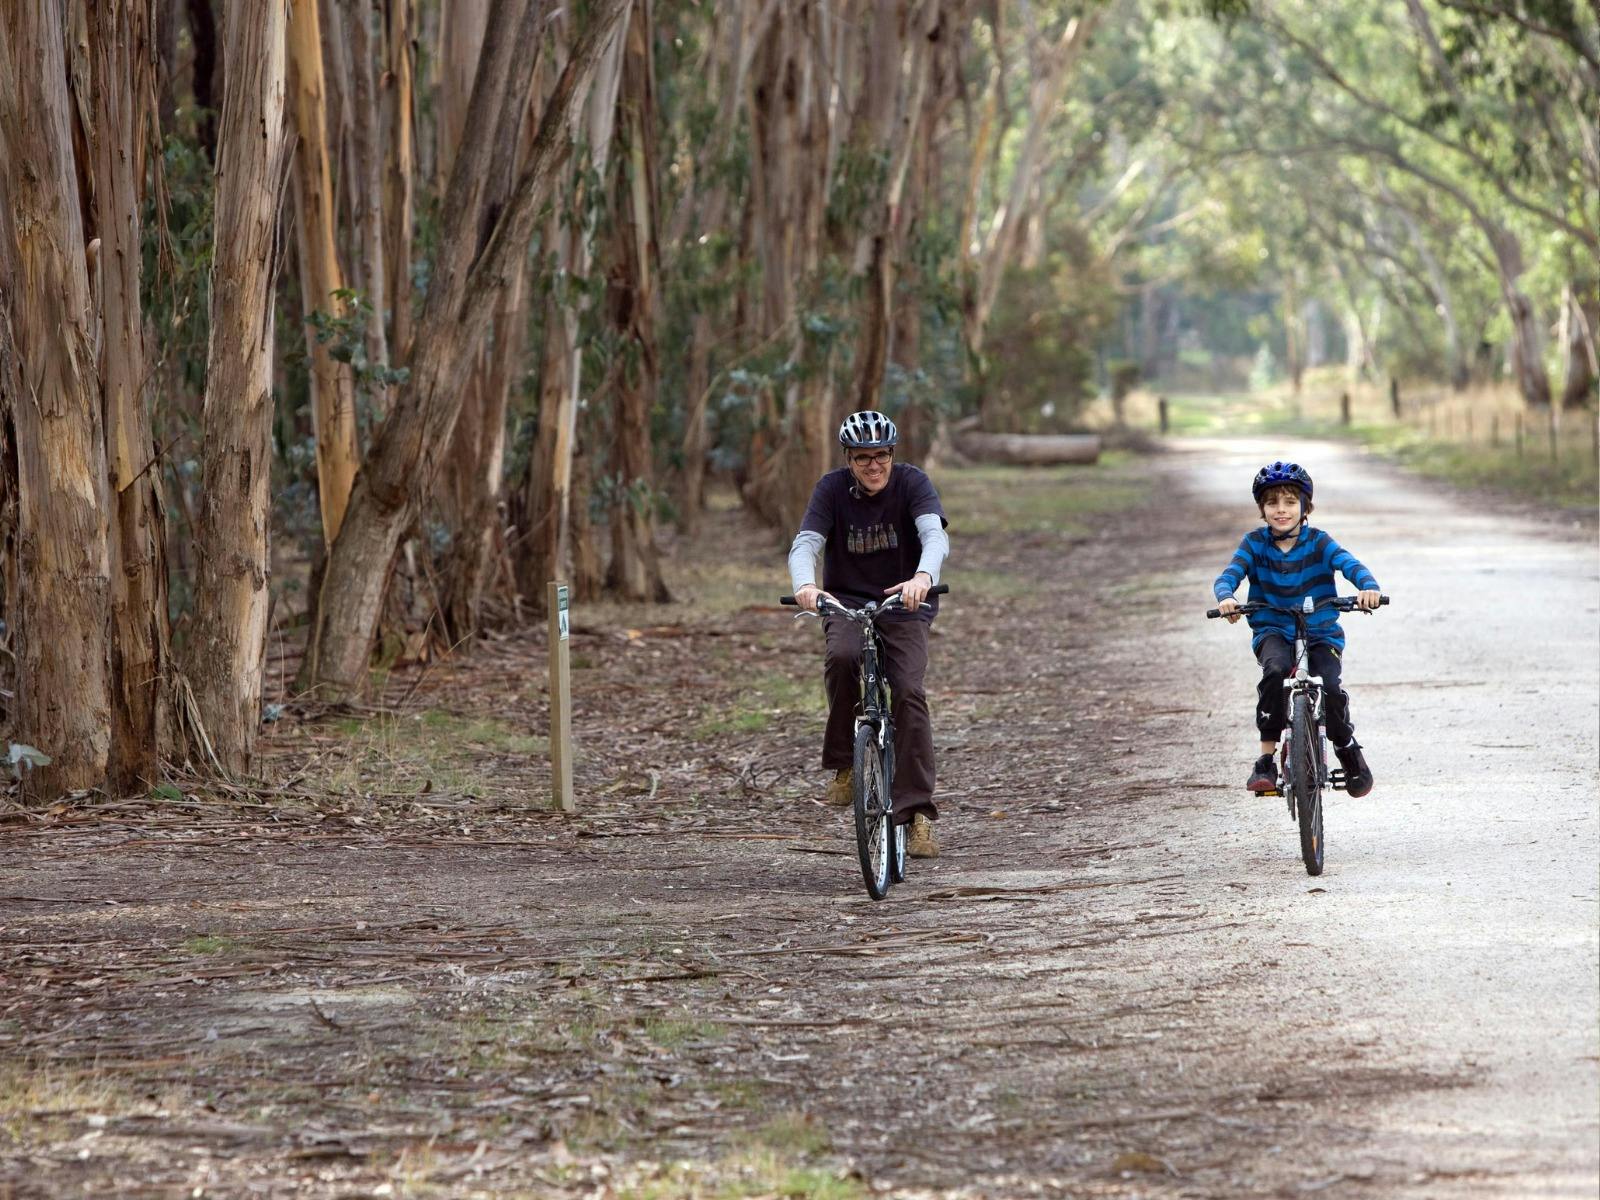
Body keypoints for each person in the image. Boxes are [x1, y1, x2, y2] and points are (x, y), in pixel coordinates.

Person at [787, 411, 950, 857]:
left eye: (881, 456)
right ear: (849, 459)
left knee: (909, 691)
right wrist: (805, 584)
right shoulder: (831, 489)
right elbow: (806, 544)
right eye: (863, 458)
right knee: (842, 658)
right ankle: (844, 761)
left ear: (892, 455)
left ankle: (917, 814)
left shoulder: (913, 484)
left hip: (905, 604)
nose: (874, 466)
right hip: (847, 602)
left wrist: (922, 576)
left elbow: (934, 537)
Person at [1214, 461, 1380, 797]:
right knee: (1275, 674)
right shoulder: (1254, 544)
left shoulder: (1319, 543)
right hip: (1273, 628)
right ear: (1262, 508)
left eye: (1290, 502)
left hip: (1320, 632)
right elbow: (1229, 575)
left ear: (1305, 507)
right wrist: (1227, 597)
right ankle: (1265, 760)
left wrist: (1368, 589)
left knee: (1329, 686)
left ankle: (1347, 749)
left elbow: (1350, 565)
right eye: (1272, 503)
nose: (1281, 510)